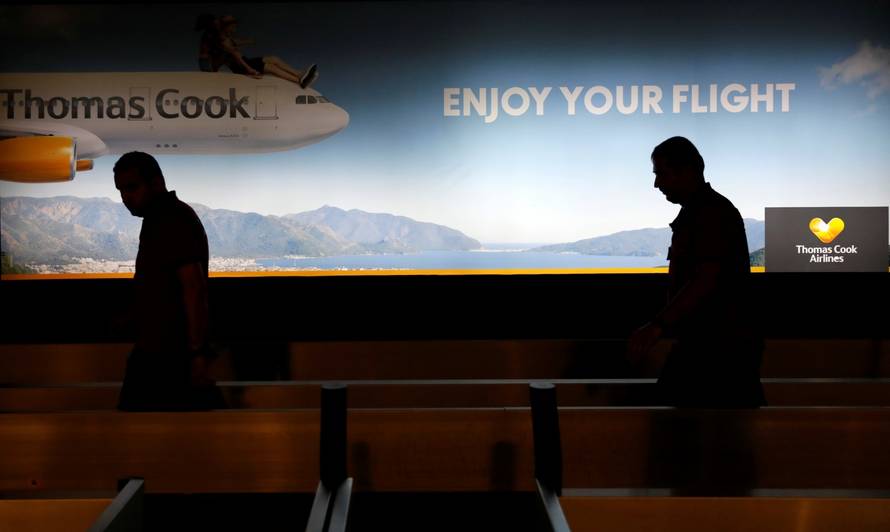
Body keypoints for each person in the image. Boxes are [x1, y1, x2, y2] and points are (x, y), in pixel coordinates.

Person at [627, 136, 766, 408]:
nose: (656, 184)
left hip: (715, 350)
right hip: (718, 347)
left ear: (687, 170)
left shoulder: (710, 214)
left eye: (661, 174)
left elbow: (706, 279)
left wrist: (657, 327)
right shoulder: (708, 211)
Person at [113, 151, 224, 411]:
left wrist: (197, 354)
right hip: (163, 351)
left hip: (168, 354)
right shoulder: (162, 218)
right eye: (121, 191)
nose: (126, 198)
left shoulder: (171, 220)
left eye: (132, 187)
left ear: (156, 182)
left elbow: (193, 289)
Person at [216, 15, 317, 88]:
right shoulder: (223, 42)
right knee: (271, 68)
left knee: (273, 59)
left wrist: (252, 40)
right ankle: (298, 81)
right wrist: (249, 70)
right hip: (242, 66)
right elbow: (235, 57)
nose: (235, 26)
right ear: (226, 27)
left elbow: (238, 42)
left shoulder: (228, 38)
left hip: (245, 62)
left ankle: (299, 74)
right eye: (233, 24)